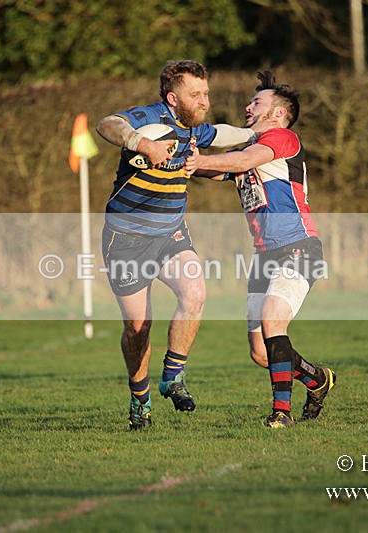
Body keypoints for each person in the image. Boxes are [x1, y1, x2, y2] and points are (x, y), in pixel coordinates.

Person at [96, 60, 255, 430]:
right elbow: (107, 124)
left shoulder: (195, 128)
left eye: (206, 93)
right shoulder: (149, 117)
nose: (204, 101)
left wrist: (256, 133)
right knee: (138, 328)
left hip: (170, 233)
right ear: (172, 98)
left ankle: (173, 376)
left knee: (195, 293)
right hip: (126, 239)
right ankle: (140, 401)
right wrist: (143, 144)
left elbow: (224, 134)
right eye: (196, 94)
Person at [185, 71, 335, 428]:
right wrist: (176, 158)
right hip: (264, 256)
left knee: (272, 320)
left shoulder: (282, 137)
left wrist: (199, 161)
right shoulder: (249, 149)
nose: (248, 106)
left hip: (298, 247)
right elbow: (217, 170)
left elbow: (236, 163)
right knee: (260, 352)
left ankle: (281, 414)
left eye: (257, 102)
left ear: (278, 113)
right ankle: (317, 379)